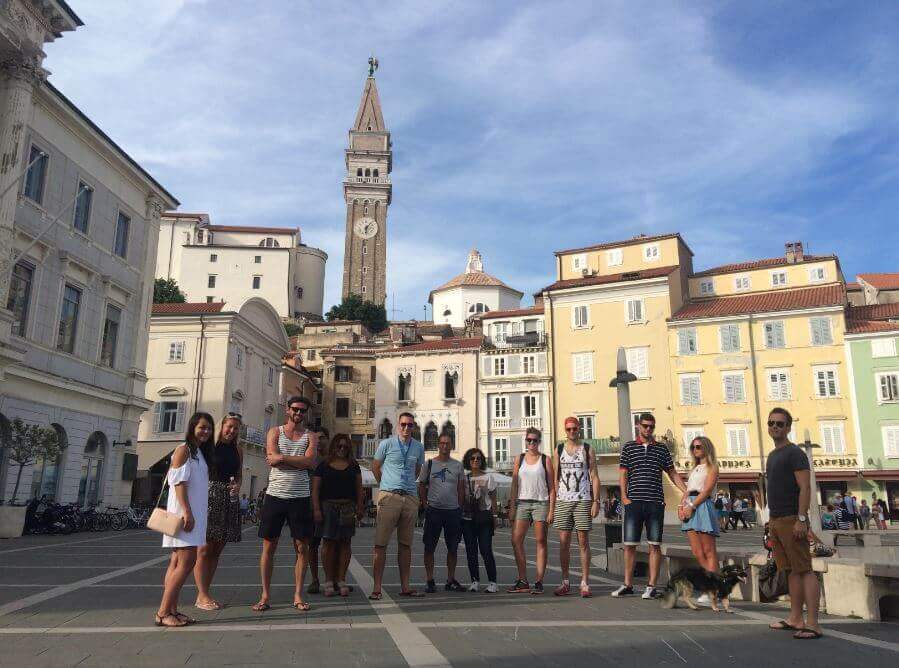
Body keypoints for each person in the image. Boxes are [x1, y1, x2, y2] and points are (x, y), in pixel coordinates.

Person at [612, 413, 688, 600]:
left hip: (655, 502)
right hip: (634, 502)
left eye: (651, 427)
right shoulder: (629, 448)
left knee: (655, 545)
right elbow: (623, 473)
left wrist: (685, 491)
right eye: (645, 426)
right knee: (629, 545)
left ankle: (651, 586)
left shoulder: (661, 449)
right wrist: (624, 496)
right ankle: (627, 584)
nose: (648, 429)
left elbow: (672, 473)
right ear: (638, 426)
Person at [253, 396, 318, 612]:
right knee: (269, 546)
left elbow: (310, 462)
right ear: (288, 410)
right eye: (295, 410)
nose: (298, 414)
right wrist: (295, 461)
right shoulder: (275, 432)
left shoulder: (310, 436)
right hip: (275, 495)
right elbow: (271, 457)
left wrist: (282, 458)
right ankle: (265, 595)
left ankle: (298, 594)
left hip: (300, 497)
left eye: (302, 411)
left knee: (302, 547)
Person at [764, 408, 822, 640]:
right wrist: (770, 521)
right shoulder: (772, 455)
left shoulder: (794, 453)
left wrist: (801, 518)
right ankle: (795, 618)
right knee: (789, 570)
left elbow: (805, 487)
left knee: (805, 569)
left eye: (780, 424)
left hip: (791, 518)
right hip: (777, 520)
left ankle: (814, 623)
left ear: (788, 427)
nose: (775, 427)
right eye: (771, 423)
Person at [155, 412, 213, 627]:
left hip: (193, 514)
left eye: (208, 428)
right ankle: (163, 611)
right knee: (186, 562)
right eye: (202, 427)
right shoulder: (183, 450)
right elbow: (178, 484)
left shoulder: (198, 452)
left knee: (178, 562)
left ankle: (172, 609)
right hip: (183, 515)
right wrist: (187, 512)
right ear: (192, 427)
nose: (205, 431)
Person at [369, 412, 426, 600]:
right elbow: (375, 467)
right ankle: (377, 587)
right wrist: (384, 486)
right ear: (397, 426)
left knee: (406, 545)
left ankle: (405, 586)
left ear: (414, 427)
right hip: (389, 496)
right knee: (380, 544)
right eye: (403, 424)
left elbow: (417, 469)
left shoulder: (419, 447)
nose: (406, 428)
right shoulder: (386, 444)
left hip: (409, 497)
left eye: (410, 425)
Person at [193, 412, 243, 611]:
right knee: (204, 549)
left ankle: (204, 592)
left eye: (236, 428)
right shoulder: (208, 447)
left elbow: (238, 475)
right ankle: (202, 594)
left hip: (228, 498)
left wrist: (238, 486)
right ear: (221, 427)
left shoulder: (238, 450)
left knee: (216, 550)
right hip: (208, 496)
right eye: (229, 426)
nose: (232, 431)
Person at [552, 417, 600, 597]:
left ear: (579, 429)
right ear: (565, 430)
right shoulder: (558, 450)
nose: (572, 432)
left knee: (583, 542)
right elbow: (555, 477)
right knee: (563, 543)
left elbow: (594, 475)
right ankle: (565, 581)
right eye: (569, 429)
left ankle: (585, 582)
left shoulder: (587, 449)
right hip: (564, 500)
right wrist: (556, 499)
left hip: (583, 499)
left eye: (574, 429)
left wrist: (596, 501)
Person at [311, 433, 363, 597]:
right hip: (328, 507)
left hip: (347, 507)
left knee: (345, 543)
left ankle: (341, 580)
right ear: (333, 446)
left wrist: (360, 507)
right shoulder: (323, 466)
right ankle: (328, 580)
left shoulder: (354, 466)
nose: (342, 449)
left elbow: (359, 489)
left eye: (345, 447)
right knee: (328, 543)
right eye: (339, 446)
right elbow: (315, 490)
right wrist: (317, 509)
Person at [508, 427, 555, 595]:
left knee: (541, 540)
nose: (532, 443)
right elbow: (514, 484)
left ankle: (539, 581)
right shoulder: (519, 459)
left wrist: (551, 509)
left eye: (535, 440)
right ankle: (523, 580)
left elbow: (551, 486)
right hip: (522, 503)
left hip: (541, 503)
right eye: (529, 440)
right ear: (525, 441)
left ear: (539, 442)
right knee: (515, 540)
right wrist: (512, 507)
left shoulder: (545, 460)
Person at [418, 433, 465, 593]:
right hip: (434, 511)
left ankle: (450, 579)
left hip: (453, 511)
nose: (445, 446)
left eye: (448, 443)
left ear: (451, 446)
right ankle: (429, 579)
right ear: (438, 445)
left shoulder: (458, 466)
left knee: (453, 548)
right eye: (442, 443)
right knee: (429, 547)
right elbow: (421, 485)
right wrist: (425, 505)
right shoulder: (429, 464)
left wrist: (460, 507)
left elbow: (460, 489)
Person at [679, 437, 720, 574]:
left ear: (706, 448)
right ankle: (710, 582)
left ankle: (715, 587)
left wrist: (691, 506)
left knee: (708, 550)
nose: (695, 450)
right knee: (697, 552)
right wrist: (681, 507)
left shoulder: (712, 467)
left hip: (702, 505)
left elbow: (707, 490)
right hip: (690, 504)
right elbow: (688, 490)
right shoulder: (694, 468)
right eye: (693, 447)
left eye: (698, 447)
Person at [460, 448, 498, 593]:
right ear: (468, 461)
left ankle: (493, 582)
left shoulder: (489, 477)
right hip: (467, 519)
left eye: (478, 458)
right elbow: (461, 498)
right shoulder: (464, 478)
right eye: (472, 458)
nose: (475, 461)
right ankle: (474, 581)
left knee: (486, 550)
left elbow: (493, 499)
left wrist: (495, 517)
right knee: (471, 551)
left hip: (484, 518)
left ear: (481, 461)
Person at [307, 427, 330, 595]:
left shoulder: (334, 458)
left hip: (331, 506)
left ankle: (333, 579)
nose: (319, 441)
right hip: (311, 506)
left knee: (332, 544)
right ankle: (315, 580)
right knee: (313, 545)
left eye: (322, 437)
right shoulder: (310, 459)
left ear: (328, 439)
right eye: (316, 438)